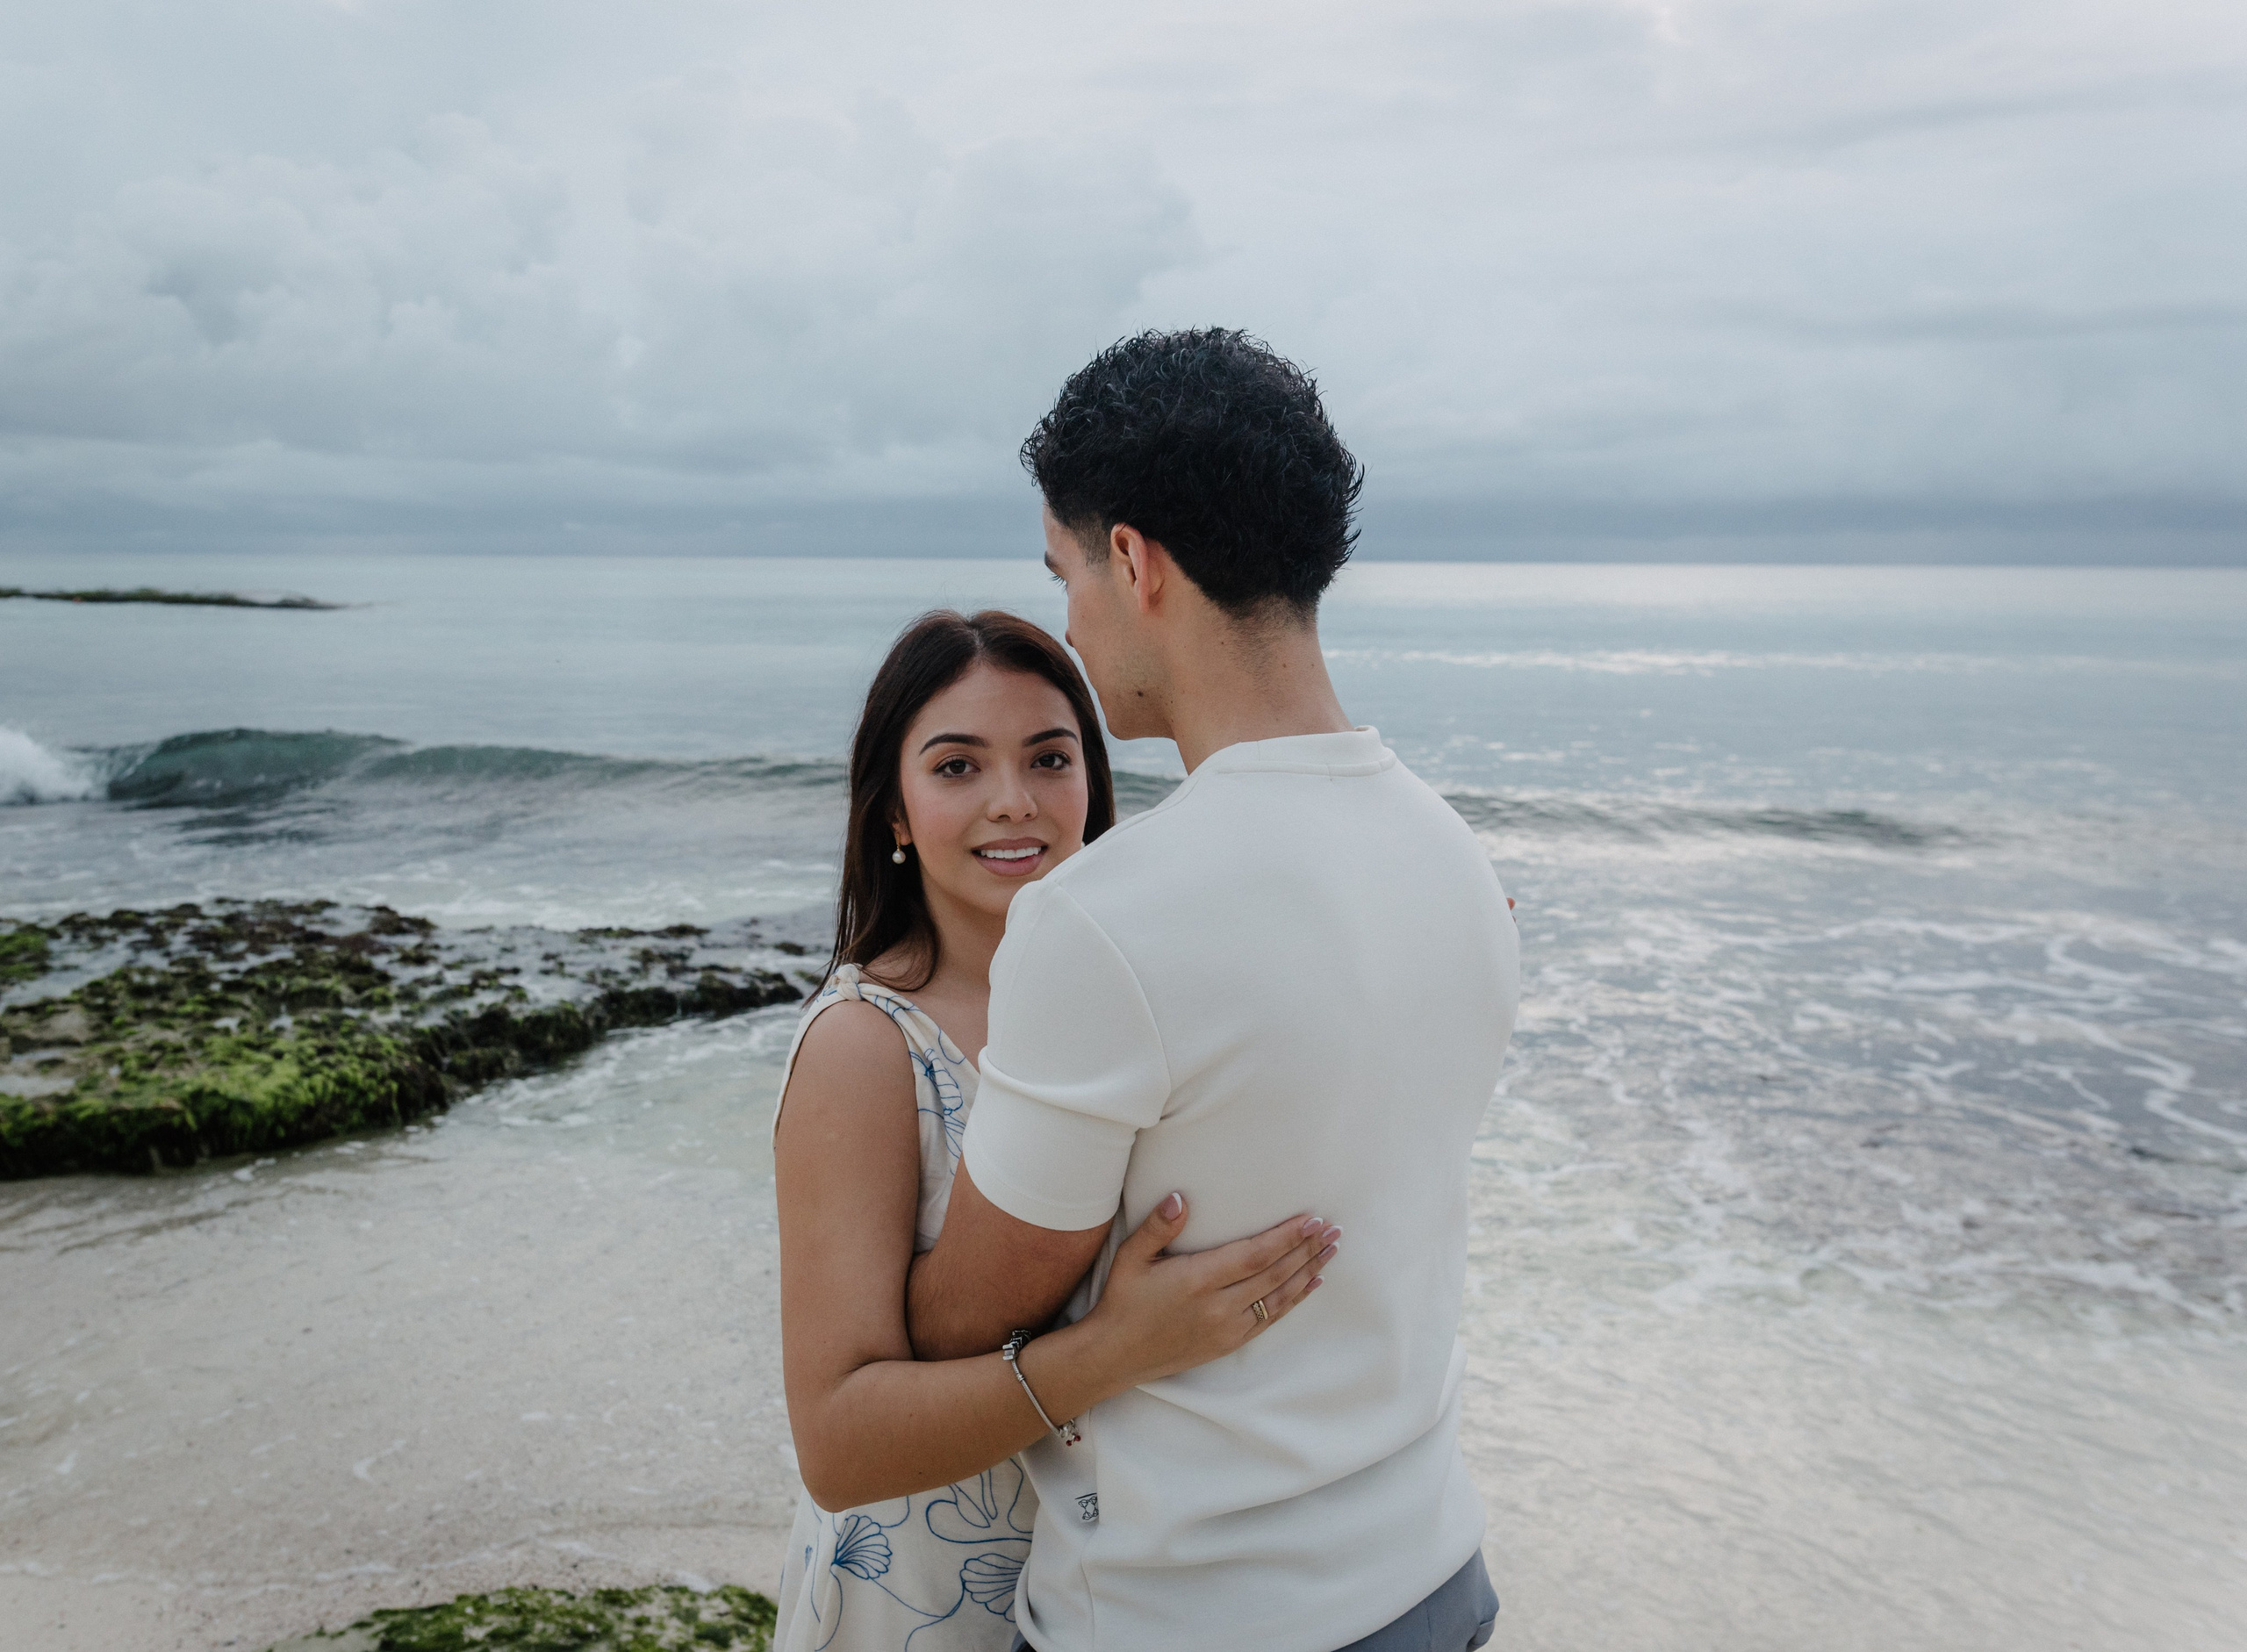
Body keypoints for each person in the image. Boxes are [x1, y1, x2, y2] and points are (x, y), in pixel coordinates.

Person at [906, 331, 1522, 1652]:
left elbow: (960, 1316)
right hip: (1430, 1580)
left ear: (1133, 562)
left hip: (1188, 1616)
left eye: (1066, 571)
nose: (1069, 617)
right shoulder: (1455, 858)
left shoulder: (1102, 919)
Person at [772, 607, 1341, 1652]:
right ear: (891, 812)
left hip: (1126, 1588)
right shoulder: (865, 1046)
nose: (1013, 803)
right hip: (930, 1601)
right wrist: (1110, 1353)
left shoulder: (1146, 1000)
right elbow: (838, 1443)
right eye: (955, 767)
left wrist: (1411, 920)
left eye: (1049, 757)